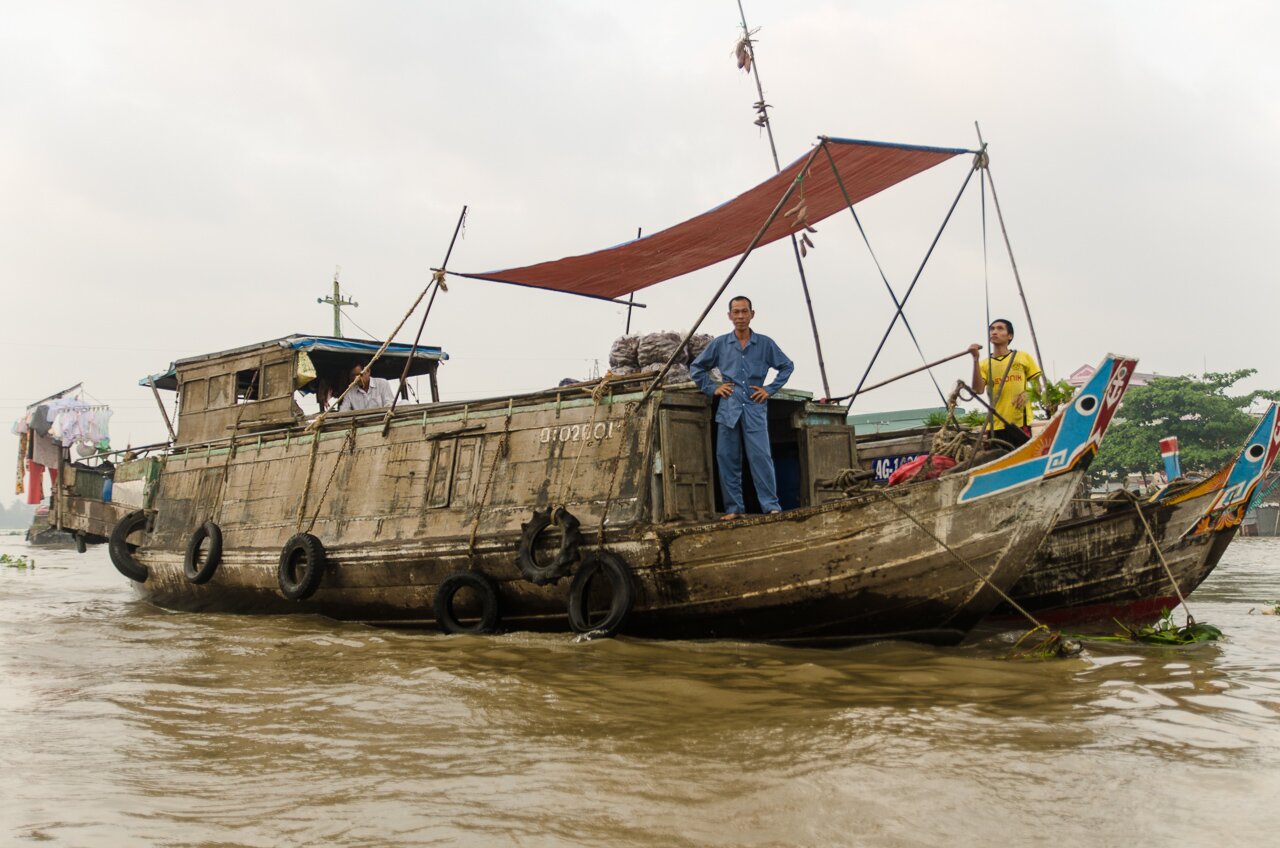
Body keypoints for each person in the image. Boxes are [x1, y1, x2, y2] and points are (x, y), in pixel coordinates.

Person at [689, 295, 794, 519]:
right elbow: (697, 368)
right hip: (729, 406)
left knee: (761, 458)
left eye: (744, 311)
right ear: (729, 316)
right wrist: (712, 388)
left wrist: (770, 389)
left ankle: (771, 506)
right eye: (736, 312)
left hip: (755, 406)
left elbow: (786, 366)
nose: (740, 316)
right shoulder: (720, 344)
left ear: (752, 314)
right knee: (727, 458)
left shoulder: (765, 344)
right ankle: (734, 509)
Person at [969, 318, 1042, 448]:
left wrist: (1028, 393)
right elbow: (978, 390)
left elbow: (1038, 388)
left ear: (1010, 336)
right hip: (995, 425)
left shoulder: (1022, 357)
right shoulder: (984, 364)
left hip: (1019, 423)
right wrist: (975, 359)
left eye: (1000, 328)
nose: (994, 332)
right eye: (992, 329)